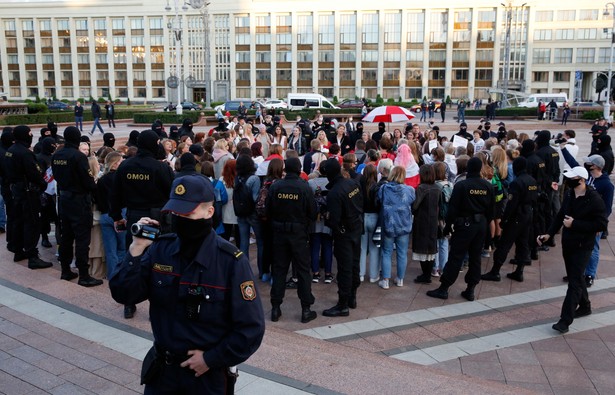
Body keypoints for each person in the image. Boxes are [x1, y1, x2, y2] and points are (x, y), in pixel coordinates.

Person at [109, 175, 265, 393]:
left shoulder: (230, 261)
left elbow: (251, 328)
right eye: (175, 212)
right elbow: (124, 294)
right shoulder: (161, 249)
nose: (180, 218)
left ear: (209, 212)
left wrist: (211, 359)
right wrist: (136, 249)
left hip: (204, 378)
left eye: (188, 212)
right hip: (163, 373)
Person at [537, 166, 608, 334]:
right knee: (577, 277)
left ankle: (565, 320)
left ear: (581, 180)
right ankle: (584, 306)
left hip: (583, 246)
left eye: (572, 178)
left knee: (574, 282)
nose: (568, 181)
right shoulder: (569, 194)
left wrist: (575, 224)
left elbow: (601, 225)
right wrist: (548, 234)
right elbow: (560, 215)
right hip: (568, 243)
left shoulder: (594, 199)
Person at [426, 157, 495, 301]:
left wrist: (447, 227)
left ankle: (444, 288)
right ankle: (470, 289)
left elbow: (453, 209)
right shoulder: (487, 186)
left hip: (465, 225)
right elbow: (491, 211)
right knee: (475, 258)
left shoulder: (462, 185)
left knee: (456, 256)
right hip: (480, 225)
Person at [267, 158, 317, 323]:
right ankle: (306, 309)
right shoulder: (304, 187)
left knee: (279, 270)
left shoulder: (275, 186)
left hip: (279, 233)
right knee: (303, 271)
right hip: (298, 234)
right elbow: (312, 211)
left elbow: (268, 209)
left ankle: (275, 307)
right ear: (299, 169)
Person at [51, 126, 102, 285]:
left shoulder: (57, 155)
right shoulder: (78, 156)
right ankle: (84, 275)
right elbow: (87, 181)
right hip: (79, 201)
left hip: (64, 199)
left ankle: (66, 270)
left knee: (66, 237)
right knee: (82, 239)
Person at [481, 157, 538, 282]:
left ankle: (495, 271)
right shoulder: (532, 180)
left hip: (516, 216)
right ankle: (519, 271)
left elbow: (511, 204)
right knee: (523, 244)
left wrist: (504, 220)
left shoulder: (516, 183)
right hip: (528, 214)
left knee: (504, 244)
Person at [4, 125, 53, 269]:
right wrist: (42, 184)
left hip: (17, 190)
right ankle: (32, 256)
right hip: (27, 192)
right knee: (32, 223)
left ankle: (18, 251)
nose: (31, 136)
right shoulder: (25, 153)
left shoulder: (10, 151)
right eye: (29, 134)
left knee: (19, 222)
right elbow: (35, 173)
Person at [321, 158, 364, 317]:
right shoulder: (353, 183)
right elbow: (360, 203)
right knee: (354, 264)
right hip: (356, 229)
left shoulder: (335, 192)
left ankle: (343, 304)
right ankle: (352, 297)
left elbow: (334, 220)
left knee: (345, 268)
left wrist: (326, 216)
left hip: (344, 233)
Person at [376, 166, 416, 289]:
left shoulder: (384, 188)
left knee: (387, 252)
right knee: (402, 253)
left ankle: (386, 280)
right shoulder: (409, 190)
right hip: (404, 224)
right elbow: (412, 202)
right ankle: (400, 279)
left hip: (389, 224)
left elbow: (379, 201)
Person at [412, 165, 440, 284]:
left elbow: (415, 206)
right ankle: (427, 274)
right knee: (430, 249)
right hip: (434, 221)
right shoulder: (437, 188)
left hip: (422, 221)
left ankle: (426, 275)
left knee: (422, 249)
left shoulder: (421, 188)